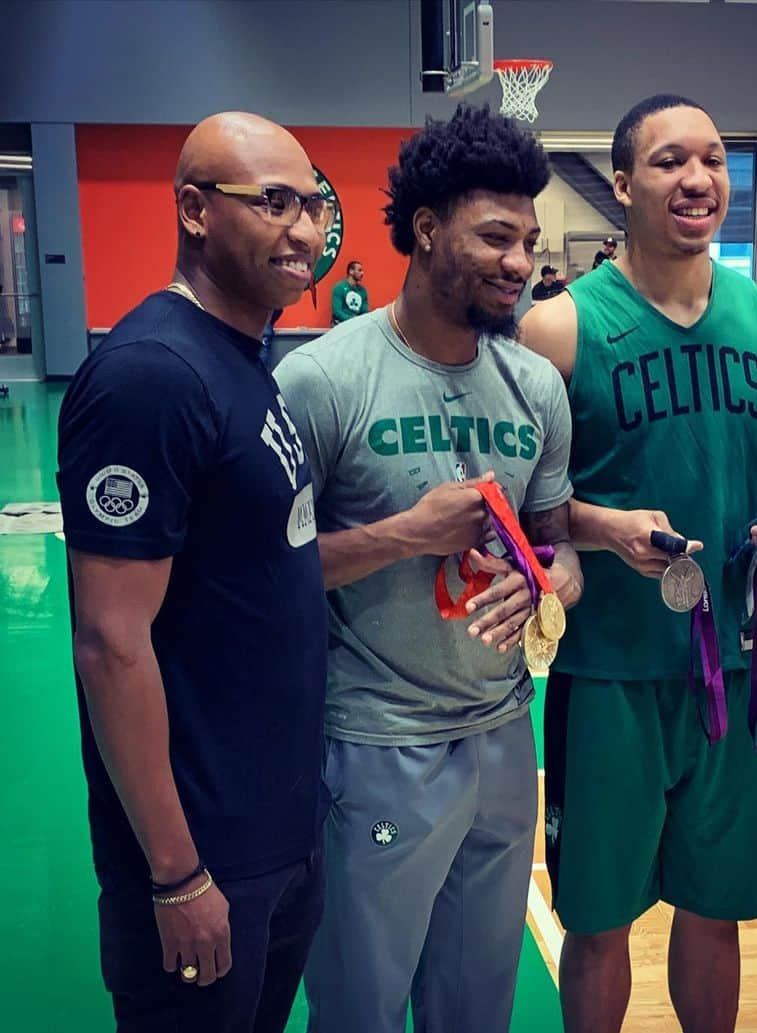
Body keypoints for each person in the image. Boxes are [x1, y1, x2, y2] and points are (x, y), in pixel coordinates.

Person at [519, 94, 757, 1033]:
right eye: (668, 162)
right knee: (599, 919)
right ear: (620, 185)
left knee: (716, 907)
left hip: (736, 663)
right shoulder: (560, 328)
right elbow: (521, 506)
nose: (698, 179)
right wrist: (603, 527)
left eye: (715, 160)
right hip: (611, 670)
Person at [274, 103, 583, 1033]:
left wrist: (549, 578)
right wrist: (407, 534)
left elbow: (558, 544)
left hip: (500, 736)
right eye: (495, 236)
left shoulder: (535, 387)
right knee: (362, 1007)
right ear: (424, 228)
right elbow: (266, 575)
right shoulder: (321, 380)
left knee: (476, 1007)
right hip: (375, 740)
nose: (519, 263)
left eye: (529, 240)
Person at [56, 112, 334, 1032]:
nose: (304, 229)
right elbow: (109, 640)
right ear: (194, 210)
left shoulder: (244, 360)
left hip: (278, 834)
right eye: (275, 203)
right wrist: (176, 874)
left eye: (313, 204)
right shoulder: (153, 375)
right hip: (202, 856)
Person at [331, 259, 368, 323]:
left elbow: (364, 312)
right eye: (359, 270)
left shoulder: (362, 291)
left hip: (356, 325)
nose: (362, 273)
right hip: (340, 324)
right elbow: (337, 311)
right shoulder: (339, 288)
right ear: (351, 271)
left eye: (362, 271)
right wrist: (351, 320)